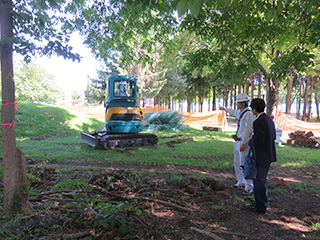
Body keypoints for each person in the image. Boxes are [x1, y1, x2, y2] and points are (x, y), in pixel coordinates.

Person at [220, 93, 254, 195]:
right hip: (237, 141)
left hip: (244, 142)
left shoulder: (249, 114)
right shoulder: (240, 112)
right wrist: (225, 109)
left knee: (244, 164)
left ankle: (249, 185)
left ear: (244, 103)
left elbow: (247, 130)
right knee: (237, 162)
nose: (237, 104)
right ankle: (241, 181)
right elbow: (233, 112)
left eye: (238, 103)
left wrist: (243, 143)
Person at [247, 98, 277, 214]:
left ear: (254, 109)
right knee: (260, 179)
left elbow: (259, 140)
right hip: (268, 154)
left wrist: (251, 141)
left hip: (261, 156)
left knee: (259, 180)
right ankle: (259, 202)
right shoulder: (269, 119)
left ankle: (260, 206)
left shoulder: (258, 122)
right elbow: (272, 136)